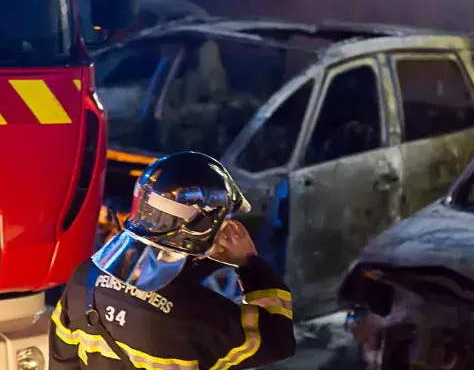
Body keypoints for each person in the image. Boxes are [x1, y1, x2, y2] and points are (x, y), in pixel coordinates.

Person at [50, 151, 296, 369]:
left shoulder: (84, 280)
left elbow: (62, 362)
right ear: (201, 228)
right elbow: (278, 342)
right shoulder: (200, 315)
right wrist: (250, 265)